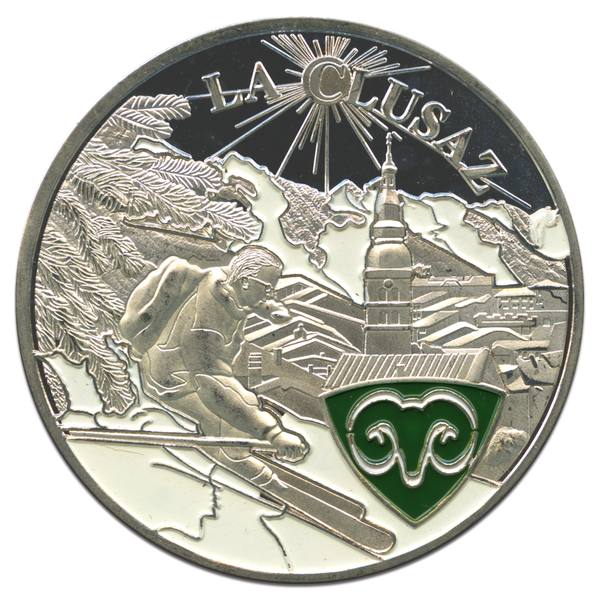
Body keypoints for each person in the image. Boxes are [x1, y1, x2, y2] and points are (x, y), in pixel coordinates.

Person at [119, 245, 308, 485]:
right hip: (174, 381)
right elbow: (212, 383)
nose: (270, 294)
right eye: (268, 288)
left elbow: (239, 299)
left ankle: (255, 468)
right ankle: (265, 482)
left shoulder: (223, 284)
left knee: (243, 410)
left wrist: (267, 308)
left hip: (189, 371)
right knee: (230, 423)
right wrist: (273, 433)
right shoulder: (205, 323)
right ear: (246, 282)